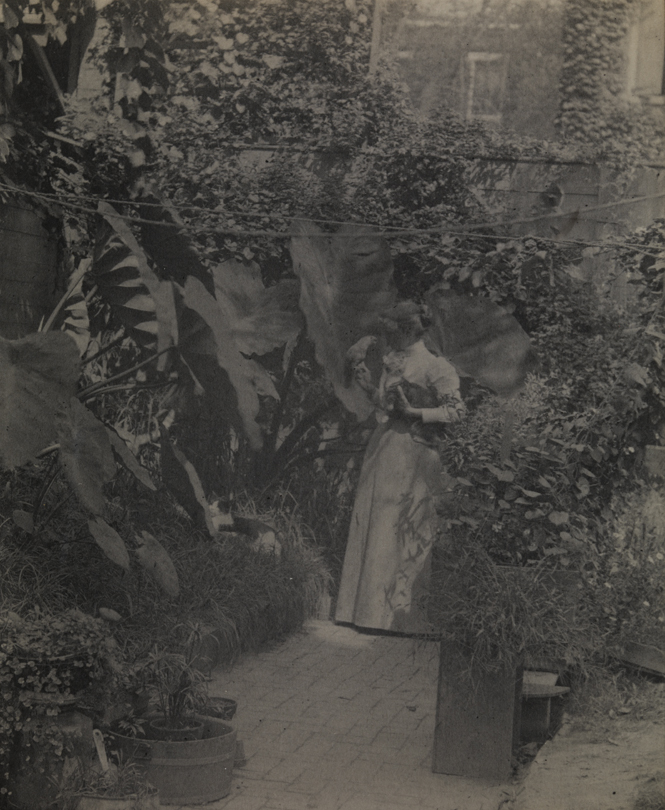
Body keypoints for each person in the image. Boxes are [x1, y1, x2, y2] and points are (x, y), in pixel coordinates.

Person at [334, 300, 464, 635]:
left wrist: (418, 414)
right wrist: (364, 380)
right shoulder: (394, 361)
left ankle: (400, 617)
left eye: (392, 331)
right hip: (386, 445)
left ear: (406, 329)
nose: (386, 338)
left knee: (403, 525)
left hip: (417, 452)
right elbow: (384, 406)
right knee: (379, 521)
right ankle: (366, 613)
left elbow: (457, 412)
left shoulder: (436, 367)